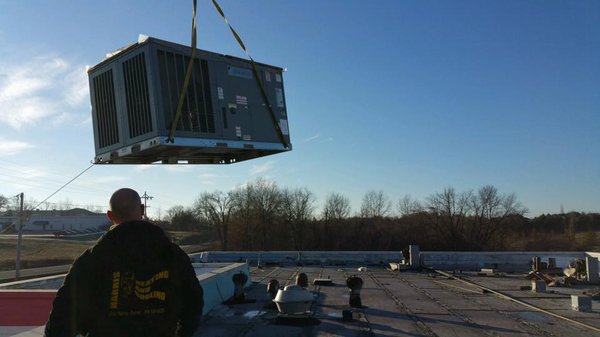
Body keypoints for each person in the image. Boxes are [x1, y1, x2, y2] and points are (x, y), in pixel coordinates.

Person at [44, 188, 203, 337]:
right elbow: (193, 301)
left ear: (109, 215)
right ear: (142, 210)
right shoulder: (173, 255)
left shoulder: (92, 260)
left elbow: (63, 315)